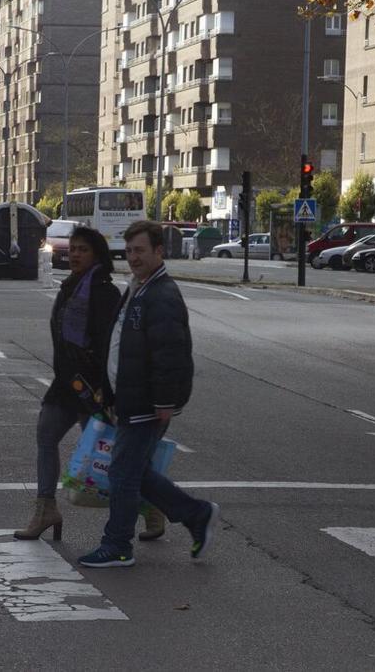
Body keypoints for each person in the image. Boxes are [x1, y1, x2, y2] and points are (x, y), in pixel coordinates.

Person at [78, 220, 220, 568]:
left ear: (159, 251)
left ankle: (118, 545)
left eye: (140, 250)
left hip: (146, 402)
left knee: (123, 474)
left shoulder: (162, 295)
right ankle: (196, 514)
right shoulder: (139, 287)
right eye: (129, 251)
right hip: (130, 398)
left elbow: (170, 353)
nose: (133, 257)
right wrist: (109, 393)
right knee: (134, 472)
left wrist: (164, 402)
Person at [14, 227, 120, 542]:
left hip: (92, 389)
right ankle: (46, 508)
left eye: (82, 249)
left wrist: (106, 393)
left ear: (97, 253)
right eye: (72, 249)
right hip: (65, 384)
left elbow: (108, 346)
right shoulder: (70, 287)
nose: (74, 254)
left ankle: (149, 504)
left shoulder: (105, 292)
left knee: (107, 455)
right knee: (46, 437)